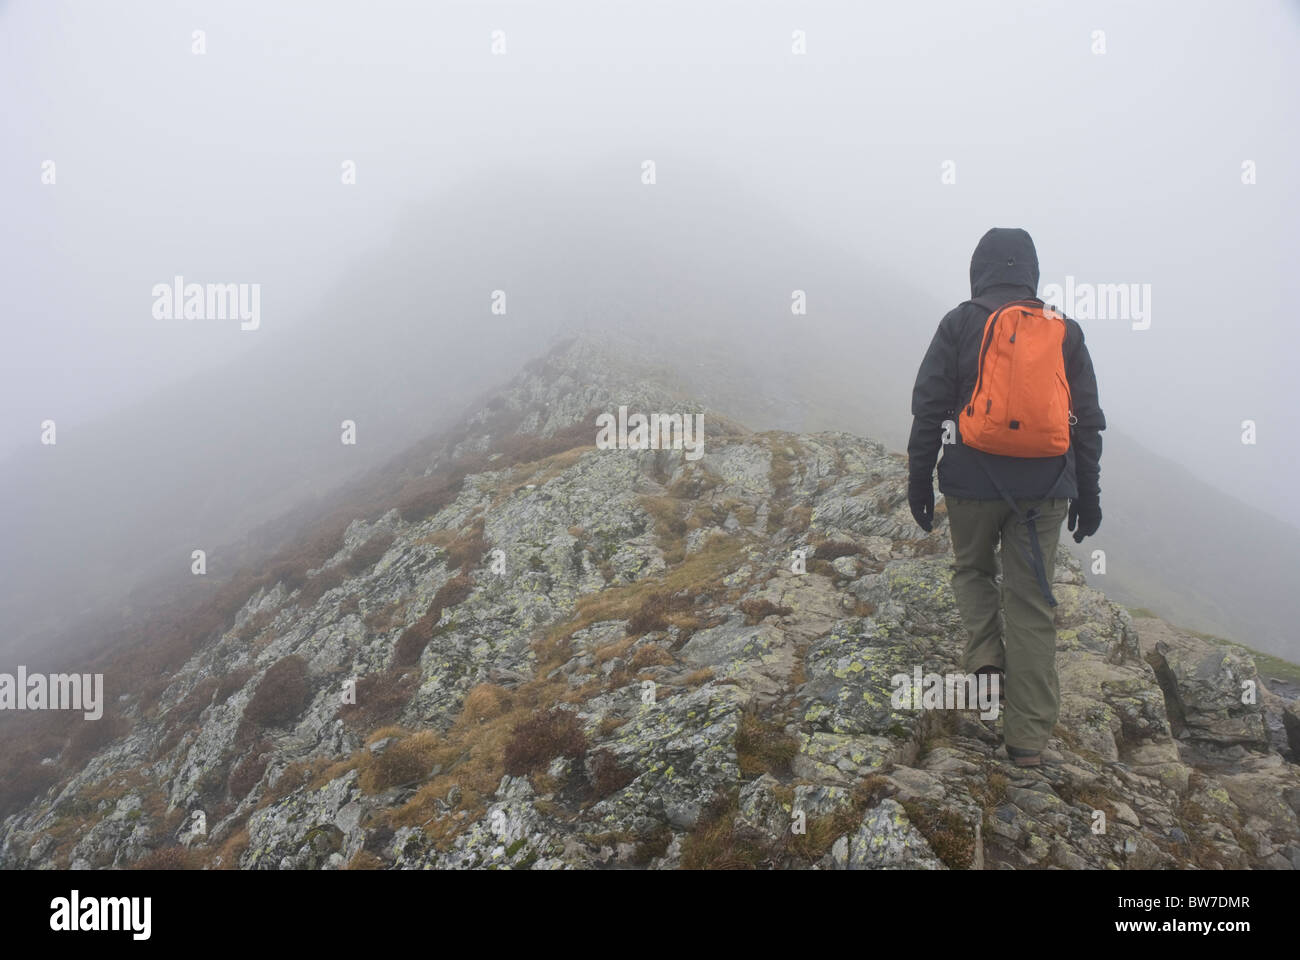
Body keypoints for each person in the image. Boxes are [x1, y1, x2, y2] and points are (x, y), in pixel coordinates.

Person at [906, 227, 1105, 768]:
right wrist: (1089, 495)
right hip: (1045, 491)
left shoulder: (959, 322)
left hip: (971, 483)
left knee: (972, 572)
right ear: (1031, 273)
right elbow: (1086, 422)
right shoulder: (1064, 332)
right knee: (1032, 602)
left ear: (979, 269)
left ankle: (986, 660)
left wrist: (919, 480)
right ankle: (1027, 740)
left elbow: (929, 408)